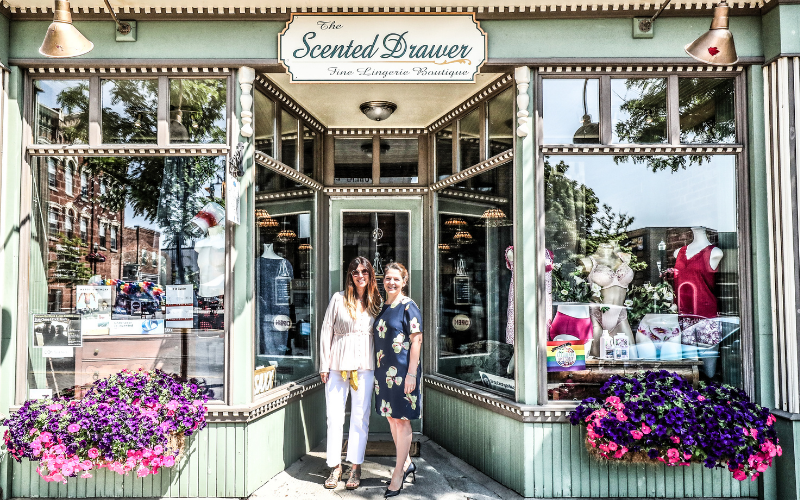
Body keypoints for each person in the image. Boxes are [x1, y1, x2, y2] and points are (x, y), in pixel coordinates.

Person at [319, 257, 382, 490]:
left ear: (370, 274)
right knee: (334, 417)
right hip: (337, 366)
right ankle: (335, 467)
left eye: (364, 271)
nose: (360, 275)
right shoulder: (338, 299)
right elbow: (326, 330)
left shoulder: (376, 301)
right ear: (350, 275)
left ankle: (355, 467)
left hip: (364, 366)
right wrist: (324, 365)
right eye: (355, 271)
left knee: (359, 418)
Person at [373, 262, 423, 498]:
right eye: (387, 278)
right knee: (392, 419)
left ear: (404, 281)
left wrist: (412, 373)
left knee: (402, 421)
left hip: (403, 373)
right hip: (384, 373)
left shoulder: (408, 306)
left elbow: (417, 341)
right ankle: (407, 464)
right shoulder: (384, 306)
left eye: (396, 279)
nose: (391, 282)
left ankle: (398, 474)